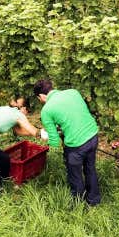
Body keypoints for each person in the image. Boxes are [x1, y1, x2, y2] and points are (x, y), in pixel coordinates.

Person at [32, 78, 101, 206]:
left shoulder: (46, 110)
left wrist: (45, 137)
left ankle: (78, 205)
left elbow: (55, 142)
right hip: (93, 135)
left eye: (39, 99)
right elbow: (77, 115)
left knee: (75, 175)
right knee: (90, 168)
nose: (40, 101)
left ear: (41, 96)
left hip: (76, 145)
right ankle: (94, 201)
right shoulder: (73, 92)